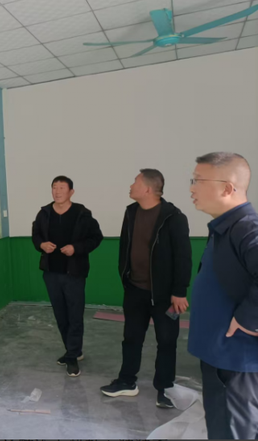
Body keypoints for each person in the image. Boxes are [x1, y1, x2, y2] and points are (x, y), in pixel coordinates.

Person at [101, 169, 192, 409]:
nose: (131, 185)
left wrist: (179, 291)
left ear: (148, 189)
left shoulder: (174, 217)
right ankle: (127, 381)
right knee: (131, 338)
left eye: (135, 182)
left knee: (167, 341)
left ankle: (165, 388)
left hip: (165, 295)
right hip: (135, 289)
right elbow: (125, 246)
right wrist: (125, 276)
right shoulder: (131, 212)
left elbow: (183, 257)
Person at [188, 152, 258, 440]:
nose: (192, 188)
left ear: (228, 188)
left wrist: (248, 319)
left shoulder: (246, 228)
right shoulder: (225, 227)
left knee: (230, 431)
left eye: (198, 180)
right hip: (221, 355)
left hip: (235, 359)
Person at [31, 176, 103, 377]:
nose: (57, 191)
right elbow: (36, 235)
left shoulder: (82, 214)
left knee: (75, 315)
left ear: (71, 192)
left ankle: (72, 356)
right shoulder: (44, 213)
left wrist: (76, 248)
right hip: (51, 273)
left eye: (62, 188)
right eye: (54, 187)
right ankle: (73, 350)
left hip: (74, 273)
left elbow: (96, 237)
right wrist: (41, 245)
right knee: (61, 315)